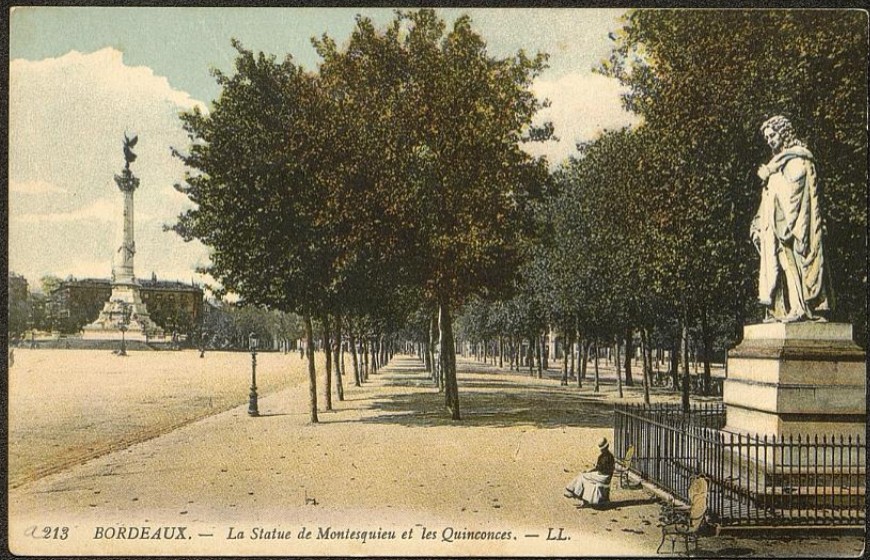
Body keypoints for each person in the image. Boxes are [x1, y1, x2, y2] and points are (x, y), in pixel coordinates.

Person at [750, 115, 829, 323]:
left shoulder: (799, 159)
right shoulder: (776, 163)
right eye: (767, 138)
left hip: (795, 228)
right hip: (778, 227)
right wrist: (759, 222)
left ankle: (800, 307)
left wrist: (771, 177)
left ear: (783, 133)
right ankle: (783, 308)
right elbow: (767, 199)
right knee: (782, 267)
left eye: (773, 135)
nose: (770, 141)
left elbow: (795, 193)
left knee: (794, 266)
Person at [564, 437, 615, 506]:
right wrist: (590, 471)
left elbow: (599, 469)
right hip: (606, 476)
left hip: (603, 477)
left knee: (582, 476)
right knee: (583, 477)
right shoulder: (610, 456)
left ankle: (572, 491)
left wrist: (589, 470)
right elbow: (601, 468)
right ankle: (576, 494)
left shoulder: (603, 457)